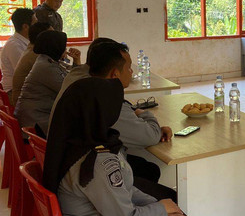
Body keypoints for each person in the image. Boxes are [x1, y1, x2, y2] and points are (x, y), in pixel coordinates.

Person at [43, 78, 214, 216]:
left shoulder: (74, 144)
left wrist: (159, 206)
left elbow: (125, 190)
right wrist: (161, 210)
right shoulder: (99, 162)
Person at [51, 40, 176, 201]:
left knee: (148, 168)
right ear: (115, 74)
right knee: (165, 191)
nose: (131, 72)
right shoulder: (103, 101)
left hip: (69, 167)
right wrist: (145, 114)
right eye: (129, 68)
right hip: (87, 180)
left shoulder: (78, 78)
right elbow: (150, 136)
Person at [15, 30, 69, 132]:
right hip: (36, 121)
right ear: (55, 47)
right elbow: (68, 88)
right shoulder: (45, 66)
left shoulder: (45, 60)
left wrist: (77, 63)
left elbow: (67, 76)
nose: (65, 49)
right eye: (64, 46)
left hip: (35, 116)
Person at [11, 22, 56, 105]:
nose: (55, 38)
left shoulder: (33, 48)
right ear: (43, 38)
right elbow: (59, 83)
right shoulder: (36, 56)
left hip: (30, 100)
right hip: (28, 105)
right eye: (52, 35)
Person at [0, 8, 36, 99]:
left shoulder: (27, 41)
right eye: (35, 23)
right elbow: (24, 73)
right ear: (25, 27)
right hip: (13, 92)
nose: (37, 26)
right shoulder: (14, 45)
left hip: (25, 88)